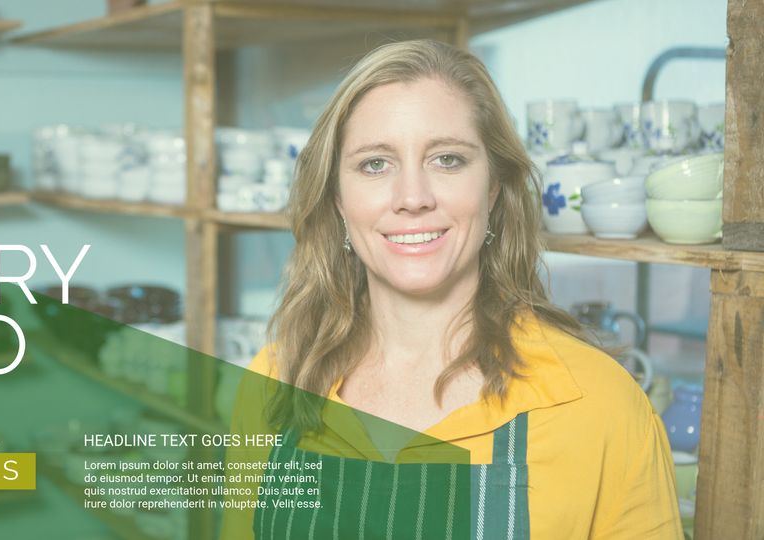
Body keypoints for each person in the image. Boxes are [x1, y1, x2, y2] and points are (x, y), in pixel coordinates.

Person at [220, 39, 681, 539]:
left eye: (447, 159)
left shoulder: (600, 405)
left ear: (493, 188)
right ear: (337, 198)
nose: (412, 198)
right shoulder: (275, 380)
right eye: (375, 164)